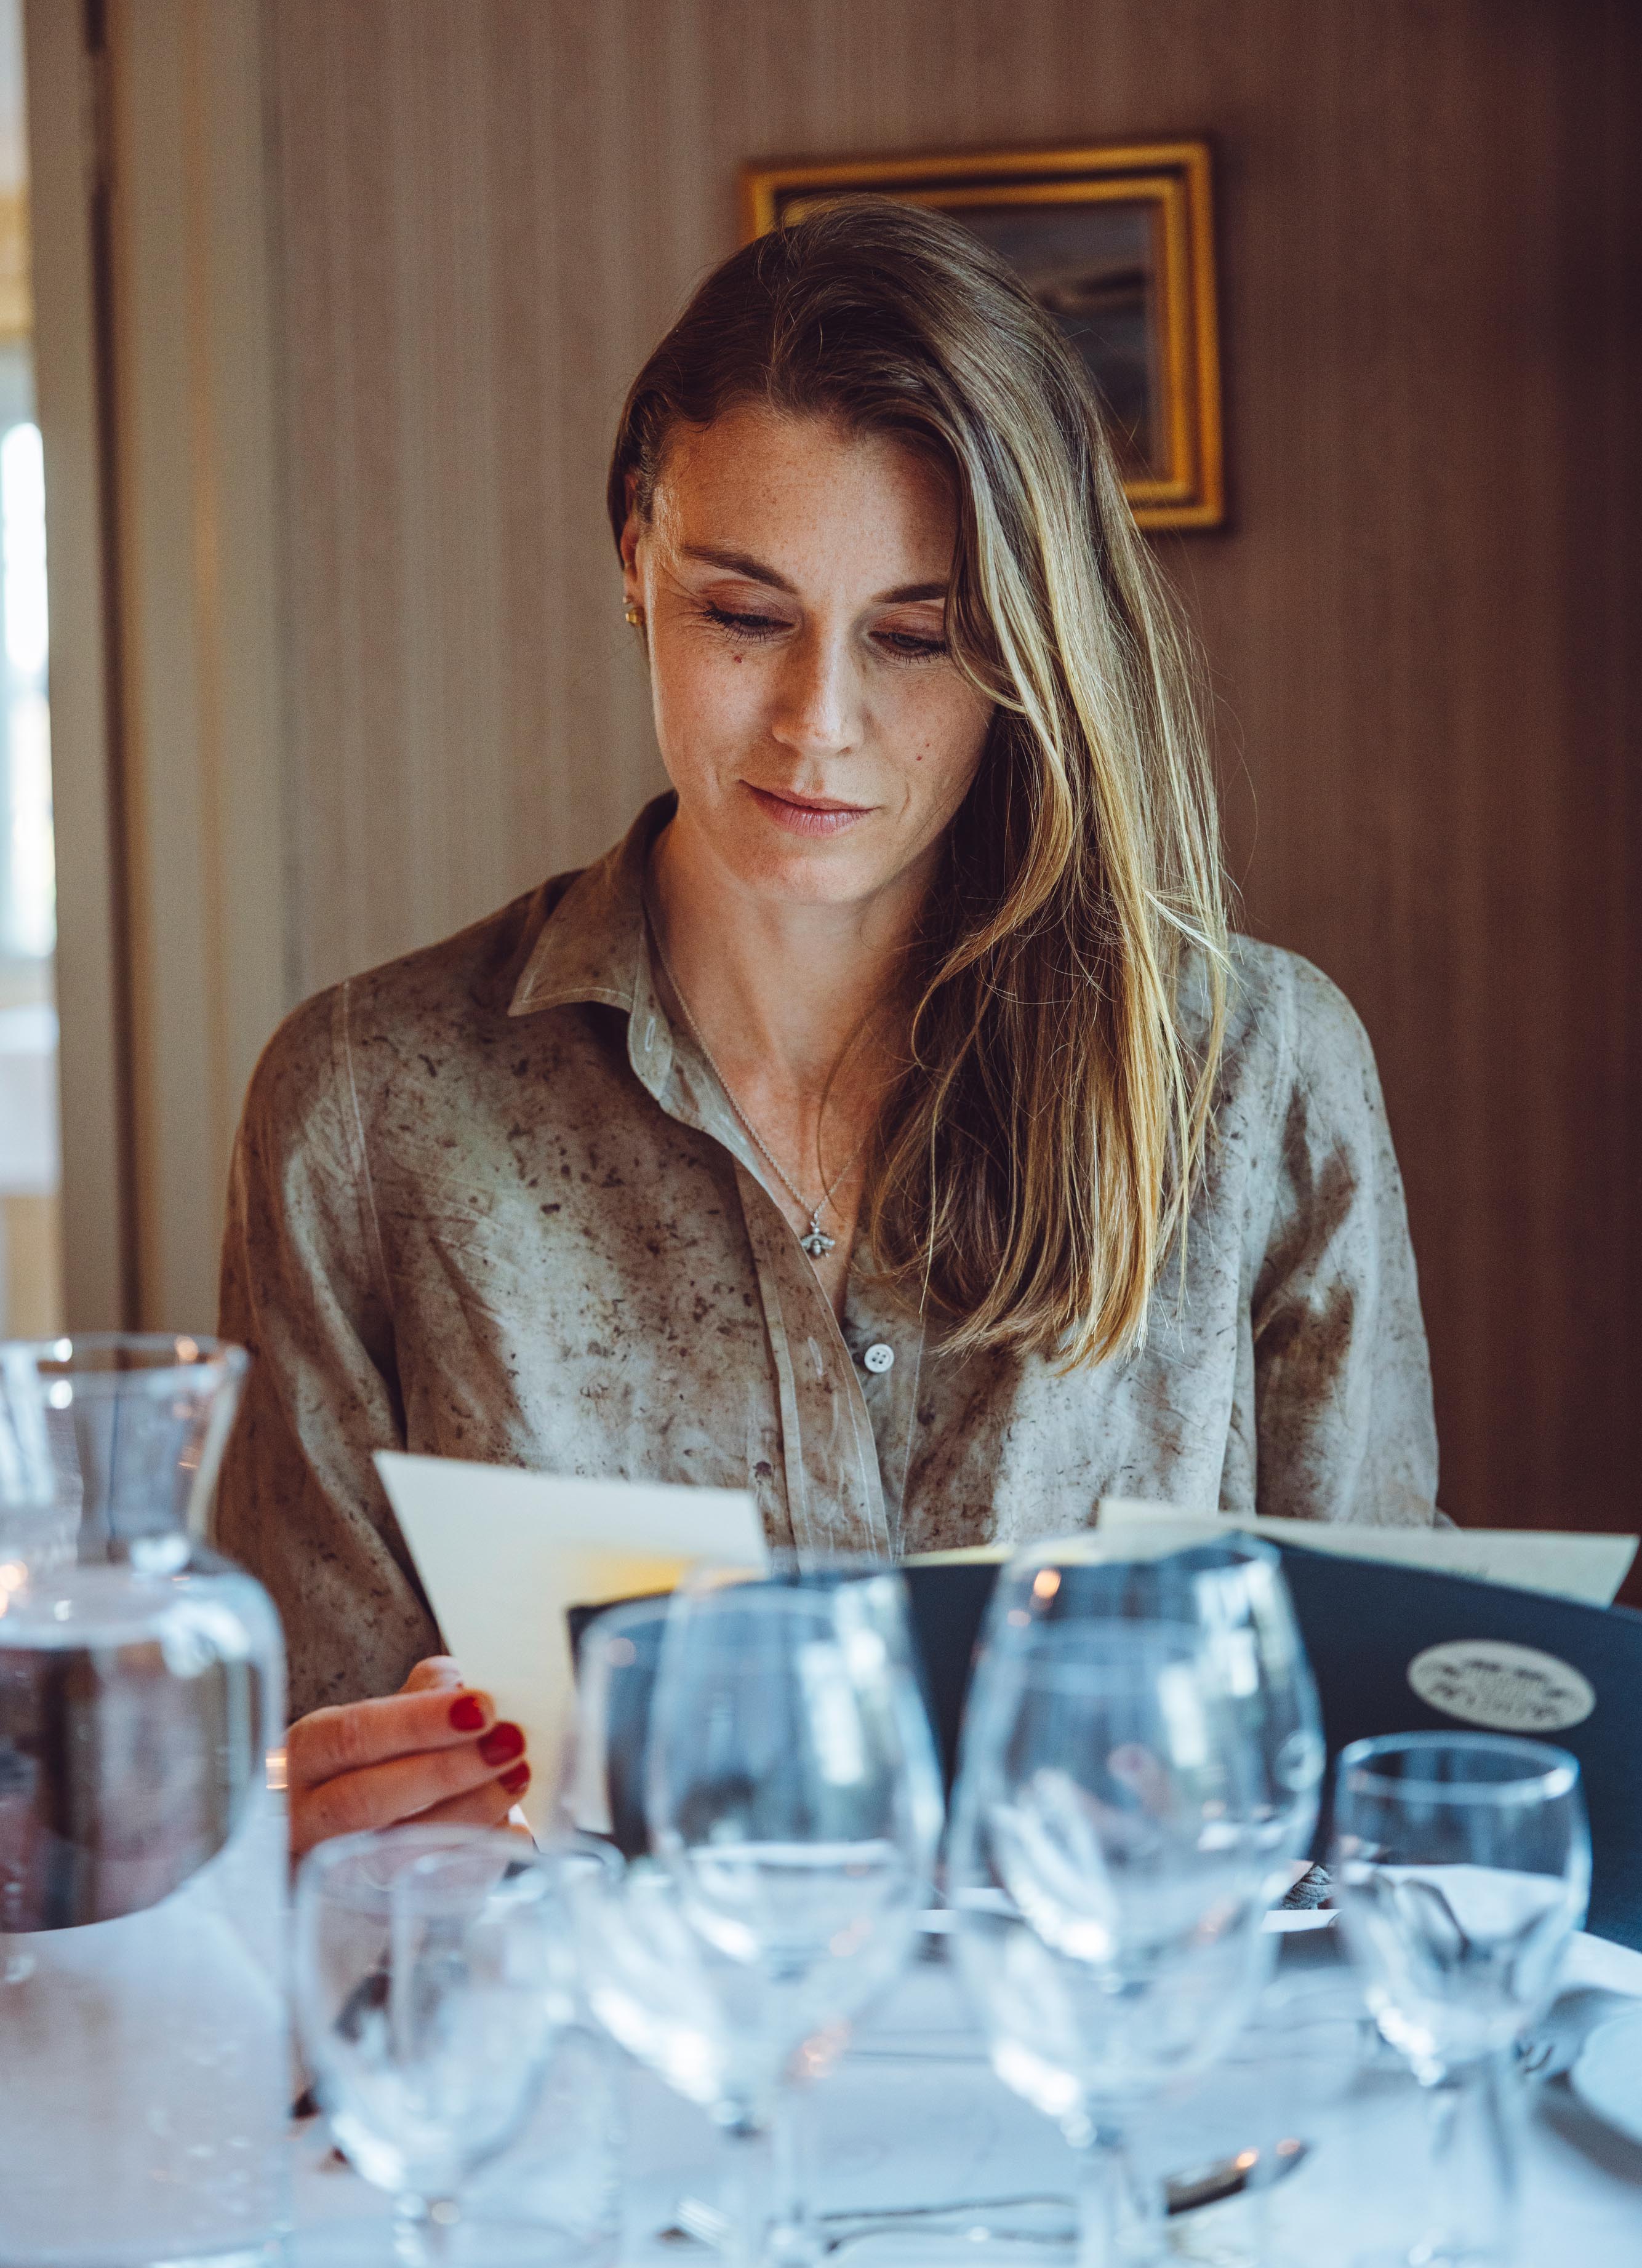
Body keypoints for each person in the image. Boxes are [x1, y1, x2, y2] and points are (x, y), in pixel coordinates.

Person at [215, 201, 1438, 1858]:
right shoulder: (367, 1112)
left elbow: (1387, 1786)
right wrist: (338, 1808)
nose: (819, 727)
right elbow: (332, 1820)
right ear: (633, 556)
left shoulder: (1258, 1074)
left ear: (1026, 645)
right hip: (600, 2088)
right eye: (742, 616)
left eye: (915, 638)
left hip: (1129, 2087)